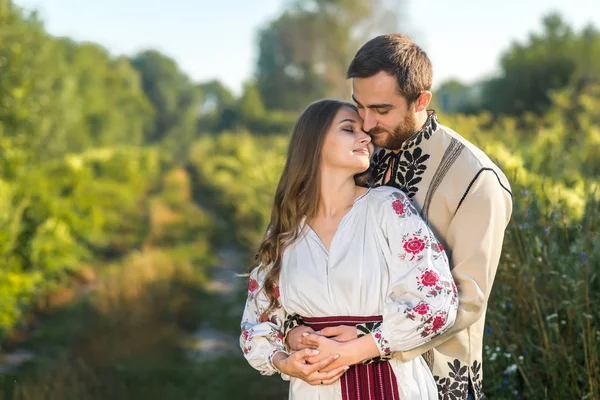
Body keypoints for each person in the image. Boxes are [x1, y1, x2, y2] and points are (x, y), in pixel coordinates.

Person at [286, 34, 513, 400]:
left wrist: (367, 341)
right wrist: (297, 333)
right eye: (359, 106)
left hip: (437, 379)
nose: (366, 122)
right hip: (338, 378)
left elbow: (468, 300)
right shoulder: (363, 154)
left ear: (420, 100)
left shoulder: (476, 180)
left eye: (381, 109)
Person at [240, 99, 459, 399]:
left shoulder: (388, 208)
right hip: (316, 389)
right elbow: (257, 323)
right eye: (348, 129)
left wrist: (358, 347)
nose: (365, 137)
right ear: (314, 143)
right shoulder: (285, 231)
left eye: (364, 131)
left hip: (391, 383)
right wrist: (286, 361)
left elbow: (436, 303)